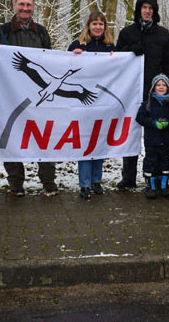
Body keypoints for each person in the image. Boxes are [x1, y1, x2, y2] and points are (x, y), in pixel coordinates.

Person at [115, 0, 169, 190]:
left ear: (155, 11)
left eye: (151, 8)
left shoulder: (163, 34)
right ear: (139, 10)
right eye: (144, 7)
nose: (147, 11)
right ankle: (128, 177)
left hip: (156, 94)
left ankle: (156, 176)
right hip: (131, 91)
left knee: (157, 136)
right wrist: (130, 48)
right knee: (131, 132)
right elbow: (115, 60)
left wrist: (168, 90)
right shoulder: (127, 33)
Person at [0, 0, 58, 195]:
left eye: (29, 5)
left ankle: (48, 181)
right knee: (12, 135)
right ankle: (16, 183)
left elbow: (50, 62)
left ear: (34, 7)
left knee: (44, 136)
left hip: (37, 95)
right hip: (11, 94)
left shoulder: (41, 32)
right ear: (14, 5)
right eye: (21, 4)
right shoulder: (4, 30)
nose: (25, 8)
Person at [68, 11, 116, 199]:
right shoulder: (77, 45)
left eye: (101, 24)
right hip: (83, 104)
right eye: (94, 24)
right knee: (85, 142)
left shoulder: (110, 46)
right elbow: (64, 67)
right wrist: (73, 56)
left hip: (103, 103)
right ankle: (84, 184)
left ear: (105, 27)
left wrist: (116, 58)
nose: (98, 27)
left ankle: (97, 180)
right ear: (88, 26)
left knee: (99, 142)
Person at [136, 74, 169, 199]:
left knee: (165, 161)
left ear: (168, 87)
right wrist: (152, 123)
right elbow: (140, 118)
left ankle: (164, 184)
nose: (161, 87)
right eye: (158, 85)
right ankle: (150, 186)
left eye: (164, 85)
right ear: (153, 87)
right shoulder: (148, 103)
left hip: (166, 139)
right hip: (151, 139)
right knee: (150, 162)